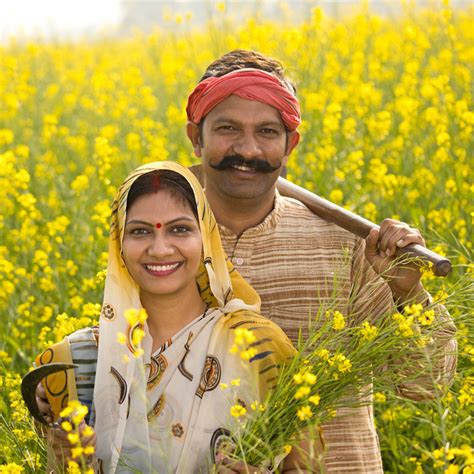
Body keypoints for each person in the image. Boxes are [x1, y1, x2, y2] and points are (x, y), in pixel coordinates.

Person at [185, 50, 457, 472]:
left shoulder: (344, 245)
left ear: (290, 144)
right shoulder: (160, 246)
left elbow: (426, 383)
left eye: (268, 132)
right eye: (227, 128)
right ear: (195, 137)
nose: (248, 148)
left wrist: (409, 292)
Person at [34, 161, 319, 473]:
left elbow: (308, 467)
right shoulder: (76, 362)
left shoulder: (261, 349)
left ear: (206, 238)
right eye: (140, 231)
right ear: (119, 244)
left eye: (180, 229)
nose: (159, 249)